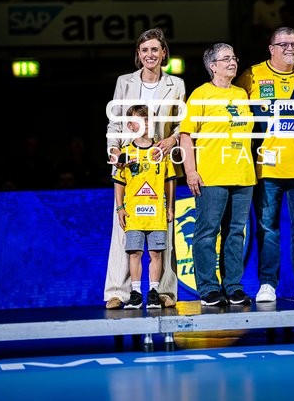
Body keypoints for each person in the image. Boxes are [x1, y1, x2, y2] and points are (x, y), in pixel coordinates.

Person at [236, 27, 294, 303]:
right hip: (266, 167)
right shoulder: (251, 76)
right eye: (283, 43)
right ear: (271, 48)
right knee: (267, 227)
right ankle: (267, 284)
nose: (290, 48)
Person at [104, 28, 185, 309]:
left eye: (155, 49)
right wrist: (114, 149)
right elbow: (114, 122)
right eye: (144, 50)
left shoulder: (176, 84)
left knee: (164, 235)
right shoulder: (123, 82)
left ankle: (164, 292)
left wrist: (171, 140)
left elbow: (181, 124)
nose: (150, 55)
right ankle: (118, 291)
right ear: (138, 55)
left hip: (160, 165)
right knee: (124, 229)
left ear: (164, 53)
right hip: (131, 164)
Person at [179, 43, 256, 307]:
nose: (232, 62)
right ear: (213, 66)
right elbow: (185, 135)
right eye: (226, 59)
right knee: (207, 232)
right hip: (211, 175)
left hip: (243, 174)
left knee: (236, 233)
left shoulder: (242, 93)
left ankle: (233, 286)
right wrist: (190, 171)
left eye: (234, 57)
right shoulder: (201, 94)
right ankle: (209, 288)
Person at [112, 105, 176, 309]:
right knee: (135, 253)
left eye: (148, 120)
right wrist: (120, 208)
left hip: (156, 213)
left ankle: (154, 291)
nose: (145, 125)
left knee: (156, 253)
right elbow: (119, 182)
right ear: (130, 125)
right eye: (139, 121)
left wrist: (170, 207)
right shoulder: (125, 154)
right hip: (134, 214)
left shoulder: (161, 151)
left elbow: (170, 179)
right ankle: (136, 292)